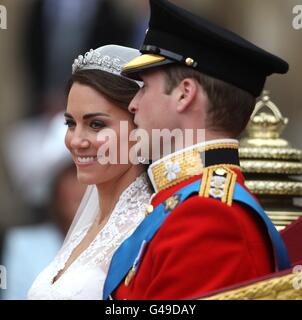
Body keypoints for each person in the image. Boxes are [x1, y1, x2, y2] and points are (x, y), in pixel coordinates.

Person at [103, 0, 291, 300]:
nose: (133, 104)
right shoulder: (187, 202)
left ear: (184, 94)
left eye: (144, 87)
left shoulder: (209, 215)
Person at [27, 45, 153, 300]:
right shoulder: (87, 223)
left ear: (140, 128)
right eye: (70, 123)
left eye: (96, 125)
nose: (76, 141)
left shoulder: (150, 225)